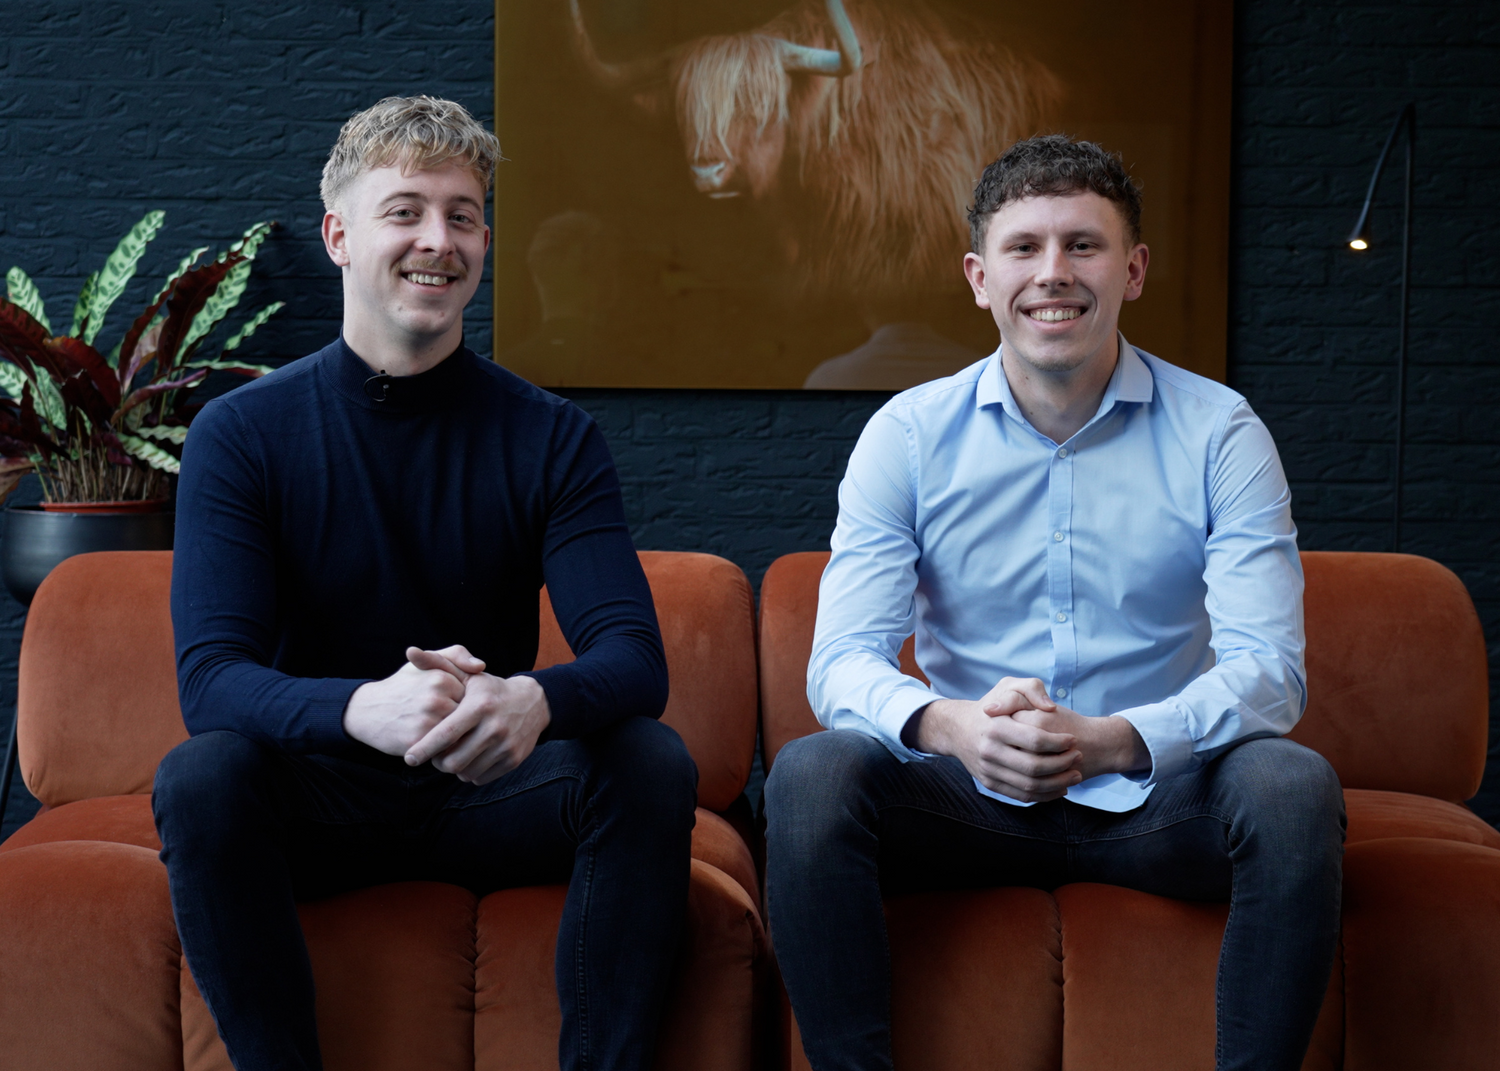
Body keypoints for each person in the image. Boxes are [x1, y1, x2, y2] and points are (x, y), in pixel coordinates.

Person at [764, 135, 1344, 1071]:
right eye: (1024, 247)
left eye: (1083, 244)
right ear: (980, 278)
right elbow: (840, 664)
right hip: (967, 798)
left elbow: (1269, 671)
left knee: (1291, 785)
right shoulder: (906, 436)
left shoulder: (1220, 431)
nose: (1053, 273)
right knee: (810, 774)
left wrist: (1113, 740)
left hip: (1156, 800)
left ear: (1134, 269)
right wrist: (953, 727)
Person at [153, 96, 697, 1071]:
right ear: (340, 236)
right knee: (202, 777)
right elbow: (212, 682)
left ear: (484, 242)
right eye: (405, 211)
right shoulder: (240, 434)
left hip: (486, 790)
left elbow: (634, 659)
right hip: (318, 797)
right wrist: (361, 707)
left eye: (462, 216)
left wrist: (532, 700)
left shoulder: (552, 436)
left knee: (648, 761)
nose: (438, 240)